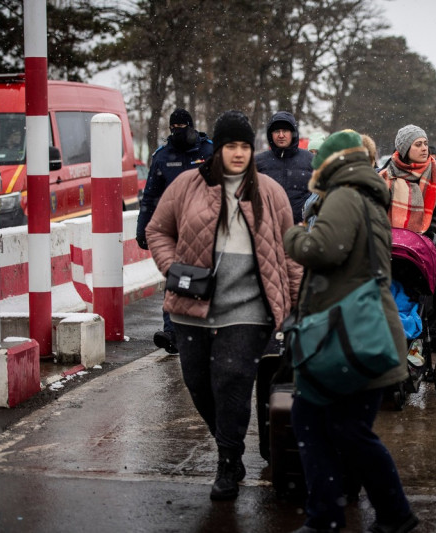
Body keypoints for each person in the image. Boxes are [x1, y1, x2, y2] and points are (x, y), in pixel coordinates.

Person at [146, 110, 301, 501]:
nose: (238, 153)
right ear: (218, 148)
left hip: (250, 306)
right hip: (191, 306)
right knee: (199, 385)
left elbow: (290, 252)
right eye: (231, 145)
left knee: (231, 379)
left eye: (245, 146)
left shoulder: (269, 191)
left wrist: (297, 306)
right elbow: (157, 230)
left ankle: (228, 461)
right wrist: (173, 268)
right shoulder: (186, 185)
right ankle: (228, 443)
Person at [283, 130, 418, 533]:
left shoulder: (344, 194)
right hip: (363, 329)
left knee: (328, 424)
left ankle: (349, 515)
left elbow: (320, 250)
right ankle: (360, 514)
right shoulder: (367, 194)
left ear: (330, 163)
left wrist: (292, 232)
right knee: (337, 426)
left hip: (349, 334)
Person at [381, 125, 436, 375]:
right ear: (404, 148)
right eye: (417, 144)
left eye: (425, 143)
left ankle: (431, 356)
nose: (424, 148)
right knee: (404, 302)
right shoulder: (386, 174)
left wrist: (433, 225)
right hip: (399, 251)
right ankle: (402, 354)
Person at [136, 108, 214, 354]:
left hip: (206, 227)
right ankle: (172, 331)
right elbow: (150, 197)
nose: (178, 132)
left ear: (192, 127)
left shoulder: (209, 151)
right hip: (175, 228)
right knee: (176, 277)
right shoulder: (162, 156)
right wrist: (143, 228)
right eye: (174, 128)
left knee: (204, 277)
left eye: (182, 127)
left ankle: (204, 326)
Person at [255, 110, 314, 224]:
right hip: (268, 229)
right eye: (277, 131)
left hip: (301, 231)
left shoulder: (311, 160)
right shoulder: (258, 162)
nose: (281, 135)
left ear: (293, 133)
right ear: (270, 134)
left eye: (285, 131)